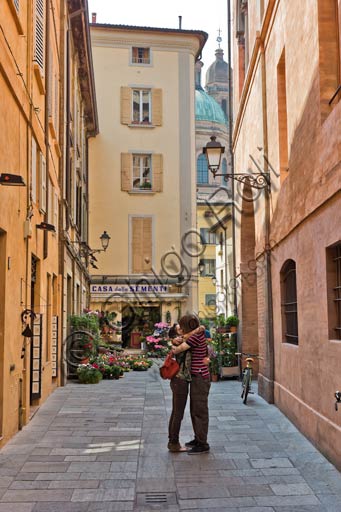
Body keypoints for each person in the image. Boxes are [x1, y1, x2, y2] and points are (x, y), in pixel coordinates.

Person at [171, 314, 211, 454]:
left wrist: (173, 344)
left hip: (200, 377)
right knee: (196, 409)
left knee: (199, 410)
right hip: (197, 377)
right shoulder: (197, 334)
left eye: (182, 326)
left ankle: (202, 443)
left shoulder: (194, 337)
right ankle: (198, 438)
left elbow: (178, 349)